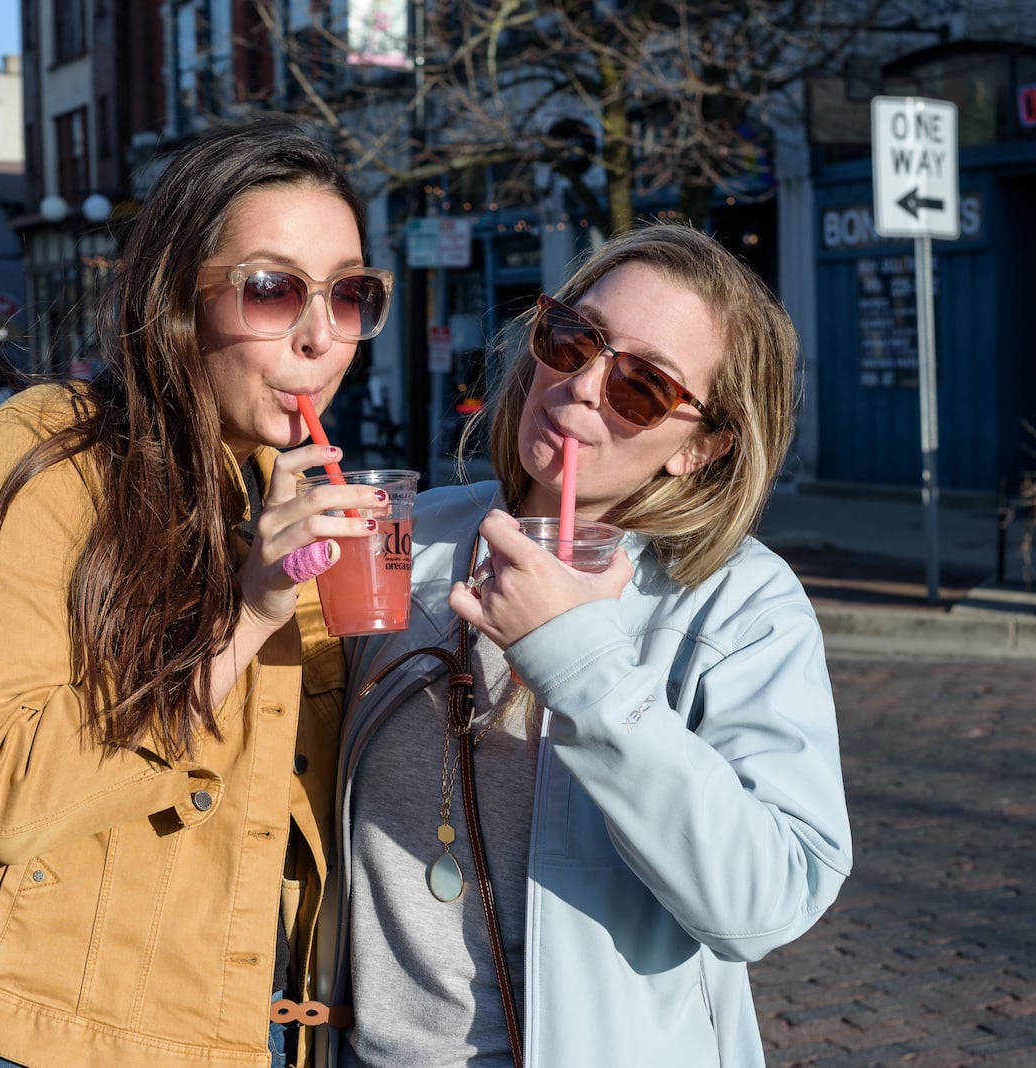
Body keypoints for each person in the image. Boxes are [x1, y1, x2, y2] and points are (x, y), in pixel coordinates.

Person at [0, 115, 397, 1068]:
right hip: (30, 1032)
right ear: (177, 296)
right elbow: (5, 793)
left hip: (242, 1030)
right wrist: (246, 613)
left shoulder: (286, 495)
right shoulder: (48, 452)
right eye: (273, 289)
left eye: (349, 294)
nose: (321, 336)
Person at [322, 223, 852, 1068]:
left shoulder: (738, 602)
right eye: (572, 340)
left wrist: (582, 663)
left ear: (701, 447)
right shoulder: (410, 546)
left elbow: (767, 901)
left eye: (641, 387)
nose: (578, 388)